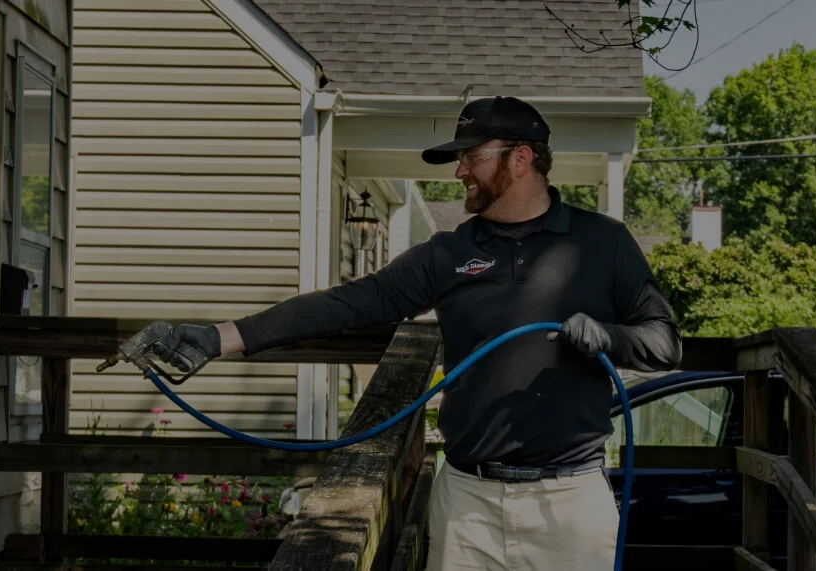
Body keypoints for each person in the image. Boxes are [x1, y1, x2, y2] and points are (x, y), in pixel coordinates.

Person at [145, 96, 683, 569]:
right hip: (468, 502)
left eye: (472, 156)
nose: (460, 171)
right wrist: (220, 337)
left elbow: (665, 343)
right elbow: (347, 303)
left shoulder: (602, 243)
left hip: (570, 504)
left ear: (521, 158)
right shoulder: (447, 254)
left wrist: (609, 336)